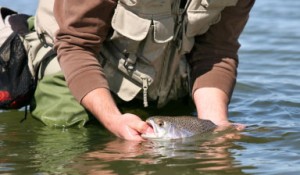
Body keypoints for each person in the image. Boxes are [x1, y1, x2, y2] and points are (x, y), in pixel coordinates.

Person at [31, 0, 255, 141]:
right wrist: (113, 120)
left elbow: (216, 51)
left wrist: (213, 126)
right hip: (70, 65)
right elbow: (76, 45)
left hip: (162, 78)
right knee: (71, 149)